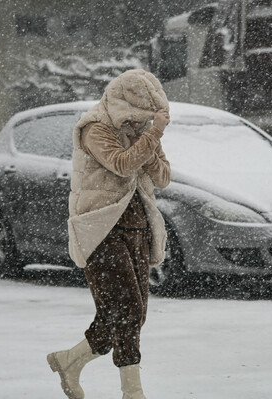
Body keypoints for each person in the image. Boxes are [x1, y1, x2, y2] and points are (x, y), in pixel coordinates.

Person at [47, 69, 171, 399]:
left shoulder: (143, 135)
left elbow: (163, 178)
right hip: (100, 229)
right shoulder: (94, 130)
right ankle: (133, 391)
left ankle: (70, 361)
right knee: (127, 308)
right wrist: (151, 136)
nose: (138, 125)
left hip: (137, 228)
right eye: (134, 119)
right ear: (120, 107)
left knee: (127, 313)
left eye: (143, 120)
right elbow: (121, 164)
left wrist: (151, 140)